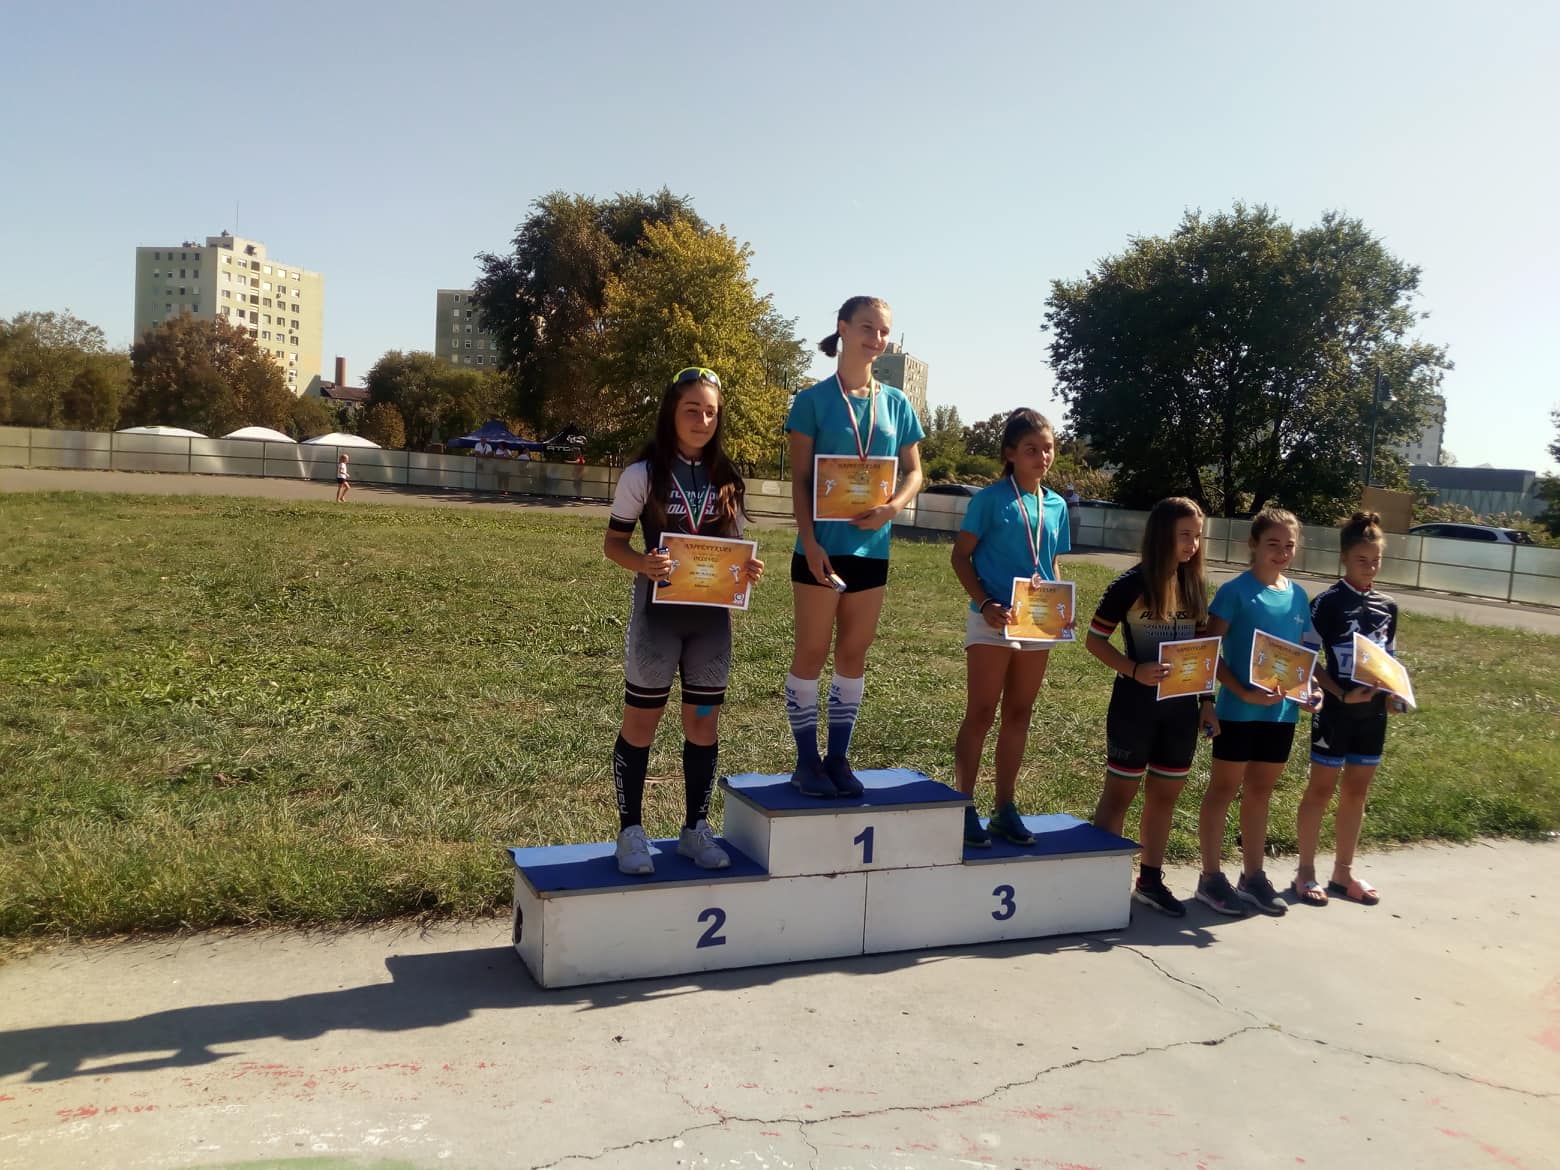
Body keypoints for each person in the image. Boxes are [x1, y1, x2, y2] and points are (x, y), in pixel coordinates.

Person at [603, 366, 764, 876]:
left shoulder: (727, 477)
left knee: (702, 722)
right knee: (641, 722)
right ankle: (630, 831)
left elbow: (733, 549)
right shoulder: (642, 474)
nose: (702, 420)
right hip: (658, 619)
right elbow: (613, 544)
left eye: (711, 412)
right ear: (672, 412)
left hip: (710, 625)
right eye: (692, 409)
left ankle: (695, 828)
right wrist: (642, 563)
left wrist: (747, 569)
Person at [783, 296, 924, 798]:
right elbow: (801, 480)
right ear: (843, 328)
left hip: (873, 551)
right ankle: (806, 762)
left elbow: (915, 472)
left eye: (884, 331)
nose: (877, 339)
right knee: (812, 651)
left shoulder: (897, 403)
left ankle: (838, 759)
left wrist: (892, 508)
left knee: (853, 653)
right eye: (867, 328)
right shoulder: (812, 401)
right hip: (821, 549)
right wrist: (810, 541)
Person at [1085, 498, 1213, 914]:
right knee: (1119, 795)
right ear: (1161, 535)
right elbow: (1094, 641)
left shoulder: (1194, 584)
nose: (1193, 544)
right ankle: (1101, 882)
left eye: (1198, 536)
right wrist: (1134, 669)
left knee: (1164, 797)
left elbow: (1202, 649)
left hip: (1181, 710)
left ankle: (1150, 880)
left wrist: (1207, 701)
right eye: (1184, 535)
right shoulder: (1130, 584)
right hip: (1134, 707)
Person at [949, 409, 1069, 846]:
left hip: (1035, 624)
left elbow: (1050, 561)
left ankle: (1005, 807)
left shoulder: (1056, 505)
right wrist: (984, 603)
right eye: (1031, 449)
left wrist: (1061, 605)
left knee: (1019, 714)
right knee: (981, 713)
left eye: (1048, 449)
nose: (1042, 457)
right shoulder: (990, 500)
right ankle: (963, 806)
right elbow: (960, 557)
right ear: (1010, 454)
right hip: (992, 619)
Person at [1196, 507, 1321, 916]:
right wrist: (1239, 693)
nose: (1281, 552)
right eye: (1273, 544)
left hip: (1280, 715)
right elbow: (1208, 652)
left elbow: (1302, 656)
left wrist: (1310, 690)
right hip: (1237, 712)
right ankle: (1210, 877)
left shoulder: (1298, 596)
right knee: (1222, 790)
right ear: (1253, 544)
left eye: (1289, 545)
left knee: (1260, 792)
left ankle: (1252, 876)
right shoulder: (1234, 592)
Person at [1292, 512, 1401, 906]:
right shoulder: (1326, 602)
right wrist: (1338, 693)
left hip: (1372, 716)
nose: (1369, 567)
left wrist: (1394, 693)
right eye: (1361, 560)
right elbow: (1306, 657)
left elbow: (1389, 659)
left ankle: (1343, 873)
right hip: (1335, 712)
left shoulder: (1388, 605)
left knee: (1356, 791)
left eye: (1376, 560)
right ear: (1344, 558)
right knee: (1321, 790)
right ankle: (1305, 871)